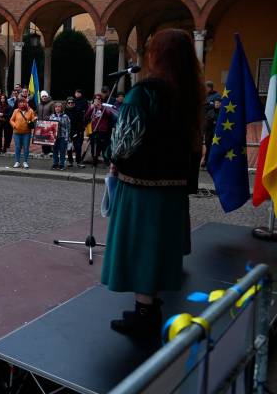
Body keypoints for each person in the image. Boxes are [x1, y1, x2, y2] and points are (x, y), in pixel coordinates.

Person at [104, 29, 204, 338]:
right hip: (173, 188)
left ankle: (144, 314)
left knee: (140, 248)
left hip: (141, 187)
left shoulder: (144, 94)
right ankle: (154, 306)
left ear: (156, 56)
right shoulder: (190, 95)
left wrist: (110, 156)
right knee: (160, 247)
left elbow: (123, 145)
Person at [84, 94, 115, 166]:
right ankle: (94, 161)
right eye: (96, 98)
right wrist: (91, 108)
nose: (98, 100)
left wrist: (101, 108)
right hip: (94, 129)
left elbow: (109, 115)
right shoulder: (91, 106)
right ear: (94, 99)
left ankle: (106, 161)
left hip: (103, 130)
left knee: (104, 146)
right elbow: (86, 117)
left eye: (99, 99)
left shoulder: (105, 107)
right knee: (94, 146)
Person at [9, 97, 36, 169]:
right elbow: (11, 120)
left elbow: (33, 120)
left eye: (23, 102)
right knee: (17, 147)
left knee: (26, 147)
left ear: (26, 103)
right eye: (20, 102)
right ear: (18, 104)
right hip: (16, 132)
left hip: (26, 133)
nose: (22, 103)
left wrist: (33, 121)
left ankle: (25, 162)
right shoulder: (16, 111)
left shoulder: (30, 111)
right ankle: (17, 162)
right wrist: (14, 125)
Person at [65, 96, 87, 168]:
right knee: (69, 148)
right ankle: (70, 161)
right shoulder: (65, 111)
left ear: (74, 103)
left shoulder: (78, 111)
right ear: (67, 103)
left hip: (77, 132)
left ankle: (78, 162)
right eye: (69, 103)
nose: (71, 104)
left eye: (72, 102)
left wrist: (78, 132)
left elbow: (81, 122)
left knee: (78, 148)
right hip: (68, 132)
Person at [48, 102, 70, 170]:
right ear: (54, 108)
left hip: (62, 136)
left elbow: (68, 127)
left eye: (59, 107)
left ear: (61, 108)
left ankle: (62, 164)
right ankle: (55, 163)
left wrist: (67, 137)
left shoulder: (65, 116)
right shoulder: (52, 116)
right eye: (56, 107)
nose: (57, 108)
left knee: (62, 151)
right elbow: (49, 127)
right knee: (55, 150)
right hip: (54, 137)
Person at [202, 96, 222, 169]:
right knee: (208, 148)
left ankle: (214, 163)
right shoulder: (210, 111)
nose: (217, 104)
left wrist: (214, 122)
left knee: (215, 148)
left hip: (217, 134)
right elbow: (207, 122)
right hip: (209, 133)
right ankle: (206, 161)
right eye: (216, 103)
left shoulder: (222, 113)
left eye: (218, 103)